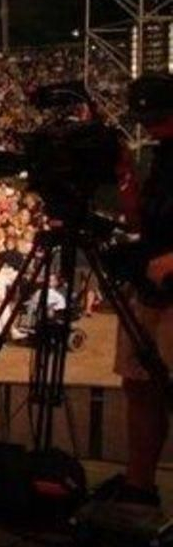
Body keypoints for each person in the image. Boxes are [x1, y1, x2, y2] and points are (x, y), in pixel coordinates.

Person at [104, 73, 173, 506]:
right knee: (139, 385)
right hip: (148, 283)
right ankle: (138, 484)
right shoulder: (162, 157)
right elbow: (140, 220)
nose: (149, 126)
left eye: (158, 117)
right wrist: (125, 174)